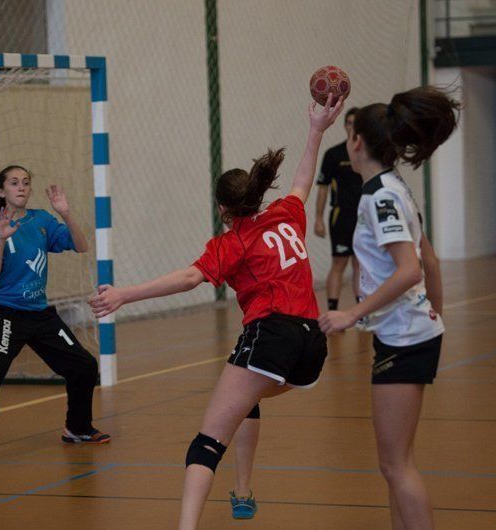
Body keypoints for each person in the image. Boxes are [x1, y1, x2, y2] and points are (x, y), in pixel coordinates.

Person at [89, 95, 344, 529]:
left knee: (206, 443)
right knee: (246, 398)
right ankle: (242, 493)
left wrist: (123, 295)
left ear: (222, 208)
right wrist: (317, 129)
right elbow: (302, 180)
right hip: (312, 346)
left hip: (271, 335)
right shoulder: (286, 214)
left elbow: (190, 279)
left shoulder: (233, 242)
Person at [319, 86, 458, 529]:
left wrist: (350, 314)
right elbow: (429, 262)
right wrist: (434, 317)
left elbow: (409, 269)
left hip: (403, 336)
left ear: (357, 142)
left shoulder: (380, 197)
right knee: (395, 465)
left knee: (396, 467)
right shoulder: (393, 188)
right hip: (407, 333)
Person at [0, 165, 109, 468]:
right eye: (14, 183)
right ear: (1, 191)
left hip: (40, 315)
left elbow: (81, 245)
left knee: (85, 366)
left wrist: (66, 213)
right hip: (6, 315)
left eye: (25, 183)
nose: (21, 187)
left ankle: (77, 428)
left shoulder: (42, 220)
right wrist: (0, 239)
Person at [314, 107, 362, 312]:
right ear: (344, 126)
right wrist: (318, 218)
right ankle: (333, 311)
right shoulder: (333, 155)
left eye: (356, 123)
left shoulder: (369, 152)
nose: (352, 127)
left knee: (361, 264)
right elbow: (323, 188)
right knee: (339, 264)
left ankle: (362, 312)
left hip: (365, 218)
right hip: (341, 217)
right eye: (349, 123)